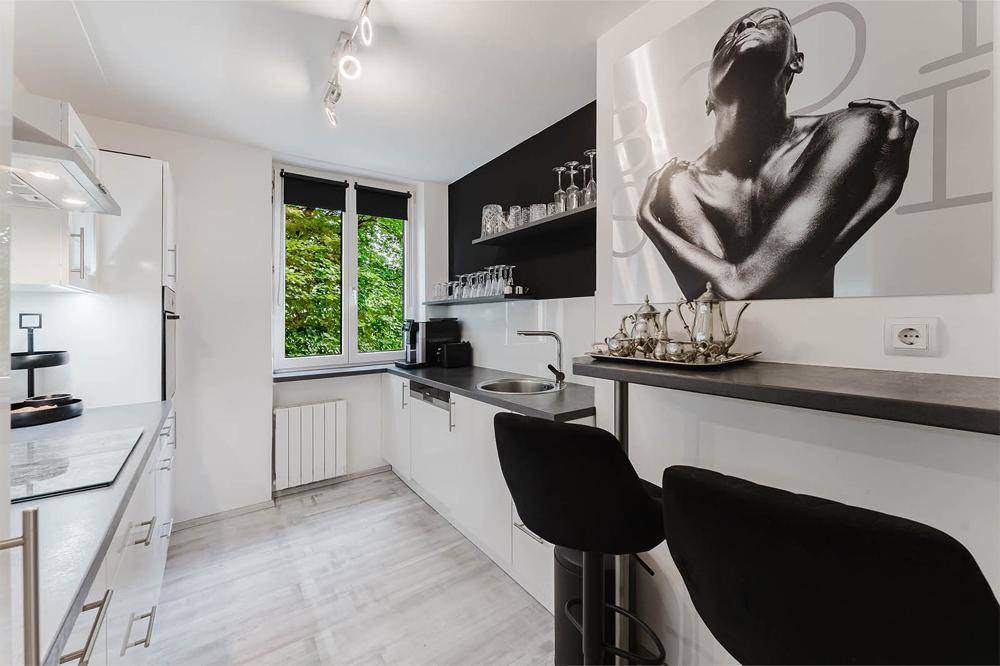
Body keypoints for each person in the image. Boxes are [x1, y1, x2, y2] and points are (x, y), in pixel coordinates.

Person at [637, 7, 918, 300]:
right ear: (708, 97)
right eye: (723, 42)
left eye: (768, 20)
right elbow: (724, 301)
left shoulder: (848, 128)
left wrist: (649, 221)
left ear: (796, 61)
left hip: (817, 328)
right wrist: (878, 196)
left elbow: (740, 289)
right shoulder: (679, 183)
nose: (747, 24)